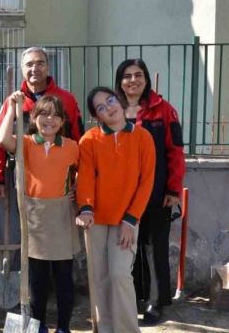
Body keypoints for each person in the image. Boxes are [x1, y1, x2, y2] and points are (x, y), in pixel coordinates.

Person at [0, 93, 80, 333]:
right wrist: (12, 107)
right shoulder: (26, 143)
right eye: (43, 114)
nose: (49, 119)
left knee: (63, 277)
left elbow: (84, 171)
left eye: (55, 115)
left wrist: (77, 188)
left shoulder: (72, 147)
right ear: (33, 117)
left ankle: (63, 327)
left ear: (62, 121)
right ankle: (39, 325)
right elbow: (2, 138)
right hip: (34, 217)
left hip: (61, 215)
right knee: (37, 279)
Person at [76, 87, 156, 333]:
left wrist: (131, 220)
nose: (109, 108)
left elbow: (146, 182)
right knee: (99, 278)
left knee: (120, 275)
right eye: (101, 107)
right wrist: (86, 208)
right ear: (96, 116)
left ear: (119, 101)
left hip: (126, 220)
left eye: (110, 100)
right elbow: (85, 177)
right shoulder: (89, 140)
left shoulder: (143, 137)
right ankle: (105, 329)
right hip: (95, 219)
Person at [115, 59, 185, 325]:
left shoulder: (164, 110)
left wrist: (173, 189)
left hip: (156, 193)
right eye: (127, 76)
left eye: (138, 75)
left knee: (154, 248)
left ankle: (156, 301)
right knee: (127, 248)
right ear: (120, 81)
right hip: (122, 195)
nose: (133, 80)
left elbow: (175, 152)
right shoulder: (113, 109)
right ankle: (133, 298)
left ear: (146, 79)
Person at [0, 47, 83, 198]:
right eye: (29, 64)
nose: (34, 69)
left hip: (61, 181)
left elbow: (78, 138)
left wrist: (80, 178)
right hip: (25, 181)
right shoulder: (13, 102)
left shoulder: (67, 99)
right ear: (22, 69)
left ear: (48, 67)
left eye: (40, 63)